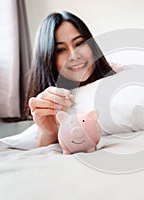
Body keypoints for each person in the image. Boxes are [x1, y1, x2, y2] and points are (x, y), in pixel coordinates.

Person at [24, 11, 115, 147]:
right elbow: (43, 154)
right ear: (47, 58)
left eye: (79, 43)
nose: (74, 55)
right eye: (60, 50)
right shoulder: (49, 101)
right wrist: (49, 131)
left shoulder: (118, 77)